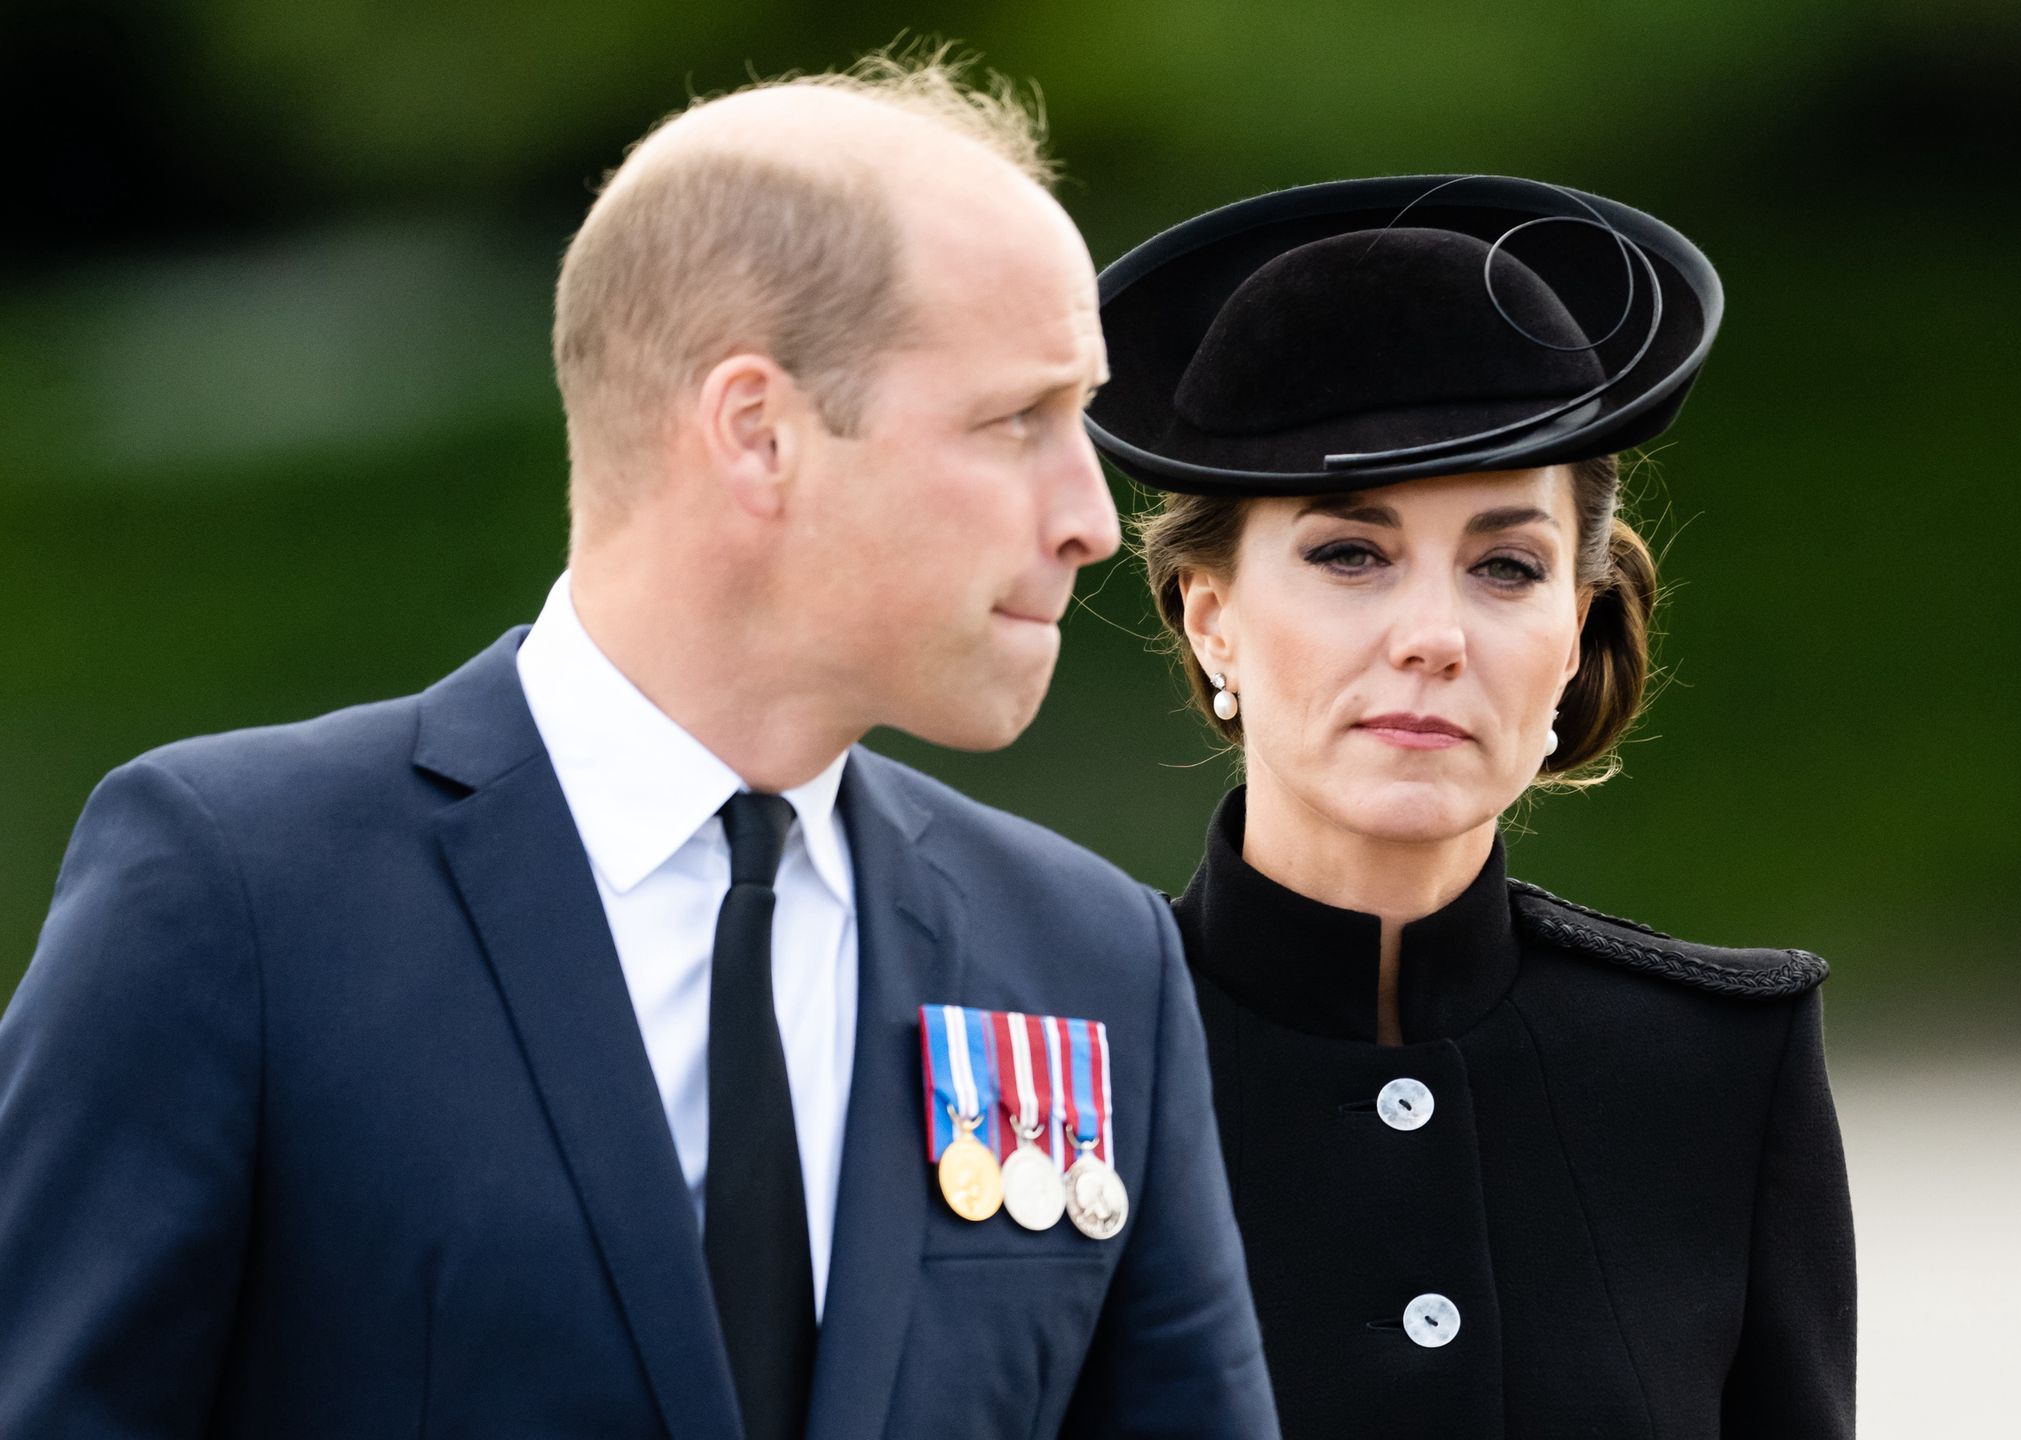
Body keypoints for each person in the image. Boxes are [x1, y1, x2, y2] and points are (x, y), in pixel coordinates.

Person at [0, 55, 1281, 1439]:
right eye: (1016, 420)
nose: (1094, 517)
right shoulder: (237, 893)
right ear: (758, 433)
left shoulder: (1090, 955)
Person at [1089, 176, 1856, 1437]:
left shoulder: (1720, 1063)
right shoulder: (1063, 1063)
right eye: (1351, 553)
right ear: (1210, 617)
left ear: (1576, 629)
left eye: (1507, 567)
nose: (1435, 637)